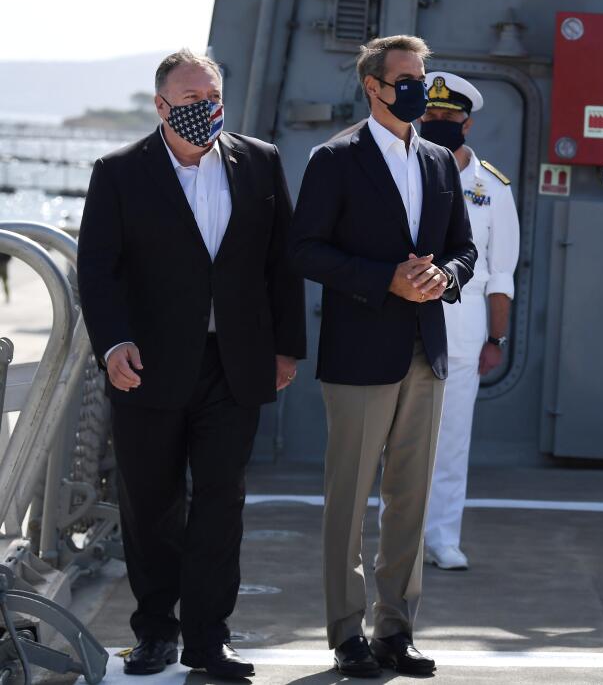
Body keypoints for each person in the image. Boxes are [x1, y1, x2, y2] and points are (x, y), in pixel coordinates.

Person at [76, 49, 306, 678]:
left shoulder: (258, 161)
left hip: (233, 364)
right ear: (160, 106)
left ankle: (209, 638)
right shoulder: (120, 172)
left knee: (220, 501)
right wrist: (113, 343)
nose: (205, 111)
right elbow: (98, 272)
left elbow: (280, 264)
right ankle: (155, 631)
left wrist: (286, 346)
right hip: (148, 365)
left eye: (213, 99)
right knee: (150, 503)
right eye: (189, 101)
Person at [290, 35, 476, 678]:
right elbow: (306, 249)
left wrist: (444, 278)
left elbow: (464, 249)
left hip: (427, 353)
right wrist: (383, 278)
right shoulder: (334, 158)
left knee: (410, 498)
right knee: (348, 500)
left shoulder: (438, 160)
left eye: (421, 76)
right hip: (360, 354)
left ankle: (396, 630)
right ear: (374, 86)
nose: (419, 87)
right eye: (407, 78)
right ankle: (346, 635)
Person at [419, 72, 519, 571]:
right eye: (430, 116)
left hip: (463, 324)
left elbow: (502, 272)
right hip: (406, 320)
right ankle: (401, 540)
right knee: (400, 440)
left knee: (452, 438)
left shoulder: (493, 188)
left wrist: (496, 337)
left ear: (467, 123)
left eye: (448, 118)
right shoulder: (403, 170)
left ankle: (443, 538)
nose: (438, 123)